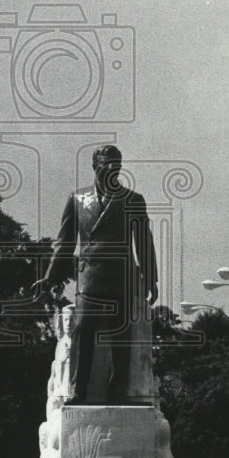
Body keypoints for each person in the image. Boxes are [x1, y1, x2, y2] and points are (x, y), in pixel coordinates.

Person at [34, 145, 158, 404]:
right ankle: (78, 390)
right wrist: (50, 276)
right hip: (89, 278)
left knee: (121, 337)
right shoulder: (77, 199)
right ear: (95, 166)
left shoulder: (133, 199)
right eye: (106, 164)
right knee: (82, 332)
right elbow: (65, 243)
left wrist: (150, 277)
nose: (112, 169)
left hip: (120, 277)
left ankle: (118, 391)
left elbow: (144, 241)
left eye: (117, 165)